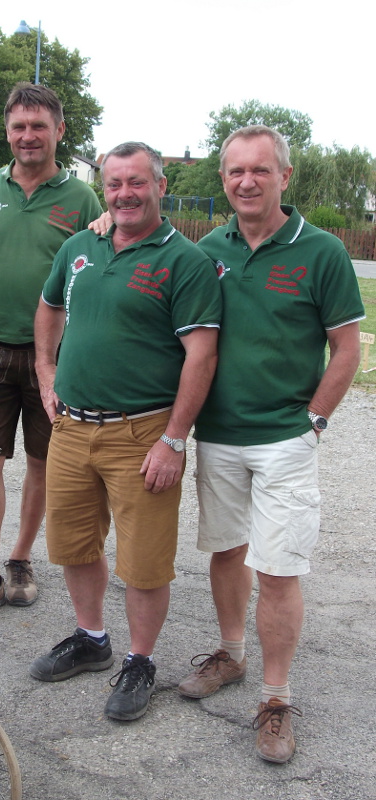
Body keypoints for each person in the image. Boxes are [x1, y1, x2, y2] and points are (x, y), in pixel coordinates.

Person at [177, 125, 365, 762]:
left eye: (260, 171)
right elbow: (142, 243)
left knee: (279, 569)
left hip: (286, 438)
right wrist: (99, 225)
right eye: (235, 172)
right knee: (226, 551)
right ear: (223, 179)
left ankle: (276, 698)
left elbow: (346, 348)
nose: (246, 182)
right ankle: (230, 654)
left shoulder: (322, 251)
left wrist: (313, 421)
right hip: (220, 437)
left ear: (285, 176)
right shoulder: (208, 251)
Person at [29, 141, 222, 721]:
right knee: (74, 544)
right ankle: (91, 638)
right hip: (71, 428)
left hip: (143, 435)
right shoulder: (79, 246)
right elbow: (48, 308)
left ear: (160, 187)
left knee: (144, 560)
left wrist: (174, 438)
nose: (125, 194)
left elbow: (202, 356)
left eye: (137, 182)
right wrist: (45, 371)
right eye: (114, 184)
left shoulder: (183, 261)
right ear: (103, 188)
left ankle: (140, 661)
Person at [0, 83, 103, 620]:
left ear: (58, 131)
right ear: (7, 132)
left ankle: (20, 559)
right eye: (18, 127)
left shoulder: (82, 199)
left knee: (42, 463)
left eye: (38, 126)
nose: (28, 136)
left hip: (53, 359)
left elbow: (102, 268)